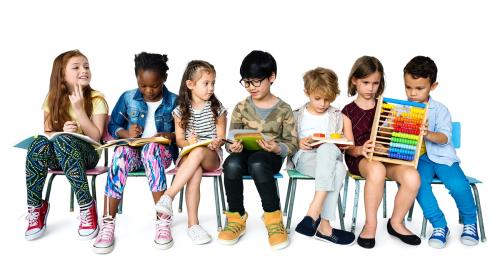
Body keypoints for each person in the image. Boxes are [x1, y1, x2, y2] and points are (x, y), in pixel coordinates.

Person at [93, 52, 178, 254]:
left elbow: (183, 133)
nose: (148, 91)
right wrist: (125, 133)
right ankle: (108, 223)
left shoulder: (174, 101)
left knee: (151, 149)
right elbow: (113, 125)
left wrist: (170, 136)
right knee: (121, 152)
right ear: (136, 79)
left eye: (154, 85)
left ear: (164, 78)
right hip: (133, 154)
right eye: (143, 85)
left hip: (160, 155)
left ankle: (162, 219)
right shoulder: (128, 97)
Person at [217, 50, 298, 250]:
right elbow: (230, 140)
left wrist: (277, 147)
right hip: (244, 155)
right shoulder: (241, 107)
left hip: (268, 158)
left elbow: (293, 143)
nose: (250, 87)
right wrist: (232, 147)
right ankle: (236, 217)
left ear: (271, 77)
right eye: (246, 82)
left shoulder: (284, 109)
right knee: (231, 164)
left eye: (255, 81)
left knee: (258, 162)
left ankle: (273, 219)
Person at [25, 49, 108, 241]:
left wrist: (79, 111)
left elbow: (96, 137)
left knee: (64, 141)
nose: (84, 70)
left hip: (88, 155)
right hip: (60, 155)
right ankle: (36, 207)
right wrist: (61, 130)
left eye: (86, 66)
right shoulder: (52, 99)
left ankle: (87, 206)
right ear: (62, 75)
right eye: (76, 67)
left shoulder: (97, 99)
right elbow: (47, 133)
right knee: (38, 143)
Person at [342, 56, 421, 248]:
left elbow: (396, 139)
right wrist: (362, 149)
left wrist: (408, 126)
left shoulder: (387, 108)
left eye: (375, 83)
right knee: (376, 169)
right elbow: (348, 148)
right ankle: (370, 224)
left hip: (386, 158)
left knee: (412, 176)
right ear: (354, 81)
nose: (370, 88)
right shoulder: (347, 111)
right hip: (361, 159)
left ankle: (396, 222)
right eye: (365, 82)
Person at [403, 56, 479, 248]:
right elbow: (388, 130)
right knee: (417, 186)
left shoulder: (441, 110)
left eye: (419, 88)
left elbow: (445, 138)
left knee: (459, 185)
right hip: (419, 160)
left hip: (443, 158)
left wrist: (427, 133)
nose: (412, 93)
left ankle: (470, 222)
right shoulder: (402, 108)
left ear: (433, 86)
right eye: (408, 87)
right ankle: (439, 225)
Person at [155, 60, 226, 245]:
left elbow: (221, 138)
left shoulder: (217, 109)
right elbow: (179, 141)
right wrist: (189, 142)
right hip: (190, 156)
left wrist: (216, 141)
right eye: (206, 83)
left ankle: (168, 196)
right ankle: (193, 225)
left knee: (199, 152)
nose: (211, 88)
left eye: (213, 83)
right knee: (194, 169)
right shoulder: (180, 112)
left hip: (211, 156)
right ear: (190, 84)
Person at [289, 67, 355, 245]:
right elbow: (286, 141)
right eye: (317, 98)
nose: (322, 104)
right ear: (307, 93)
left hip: (329, 156)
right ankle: (323, 224)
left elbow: (348, 143)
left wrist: (339, 141)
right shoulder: (295, 115)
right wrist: (298, 142)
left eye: (327, 99)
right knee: (338, 169)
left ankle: (313, 214)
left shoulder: (337, 116)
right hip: (305, 158)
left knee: (330, 152)